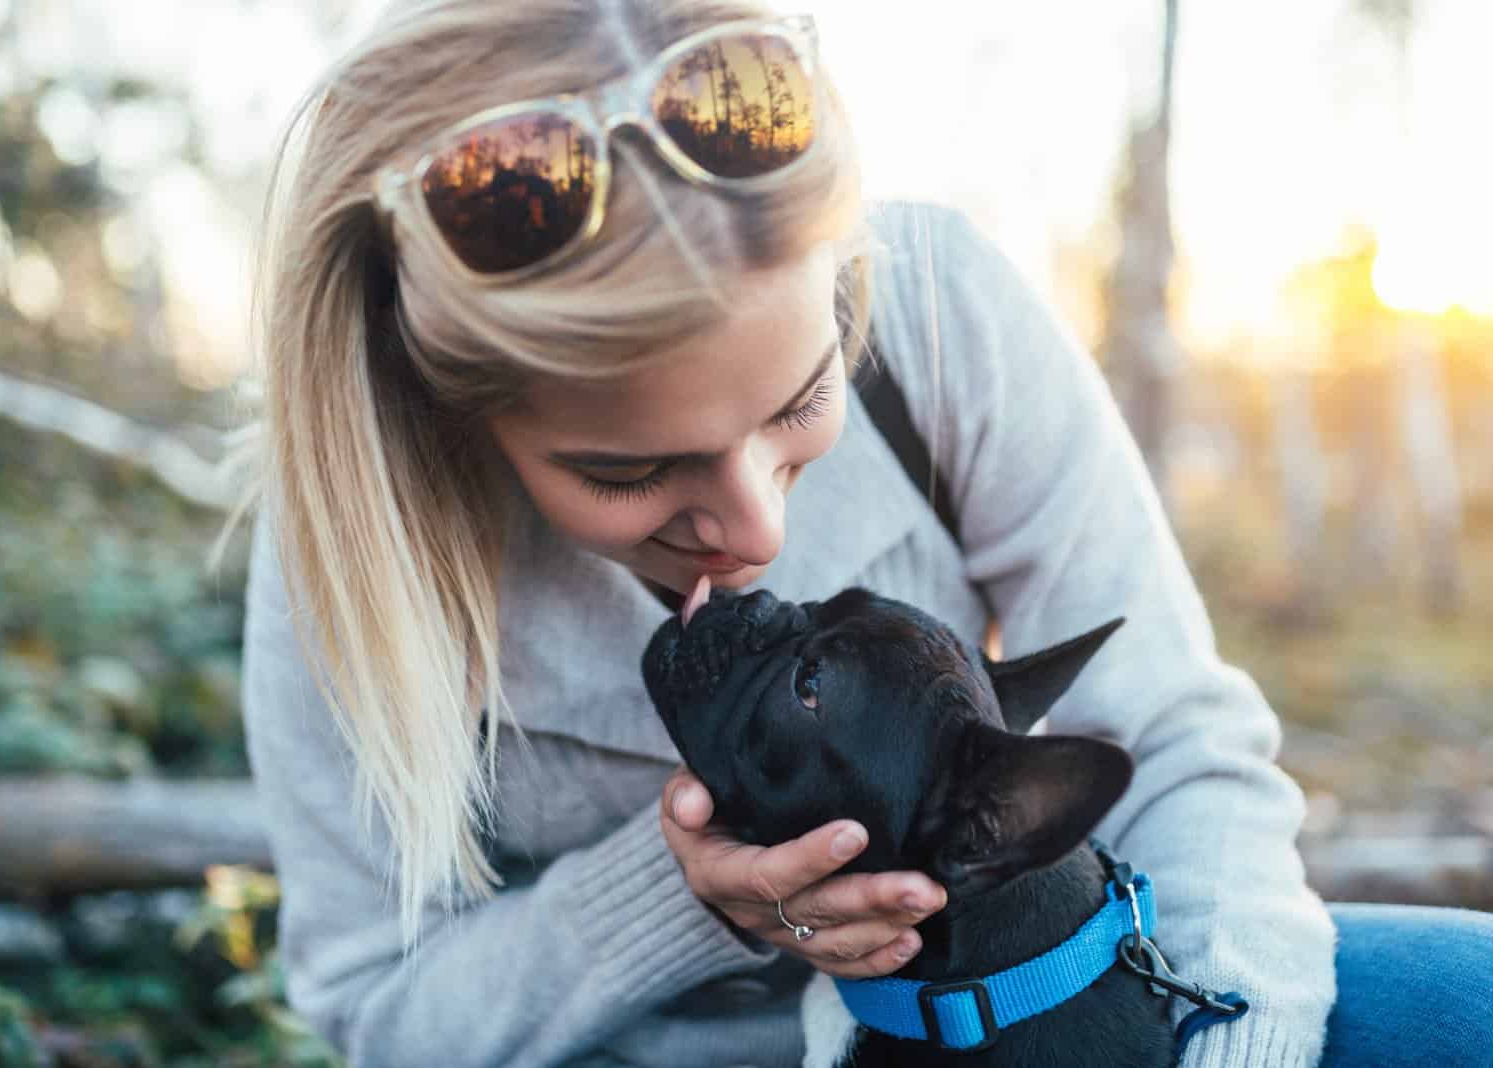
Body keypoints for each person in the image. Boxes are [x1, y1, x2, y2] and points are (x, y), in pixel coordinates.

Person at [228, 2, 1493, 1067]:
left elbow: (1170, 739)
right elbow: (379, 1013)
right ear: (448, 412)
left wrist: (1225, 1049)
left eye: (799, 403)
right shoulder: (357, 534)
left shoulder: (940, 308)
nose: (754, 527)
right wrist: (684, 897)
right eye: (628, 469)